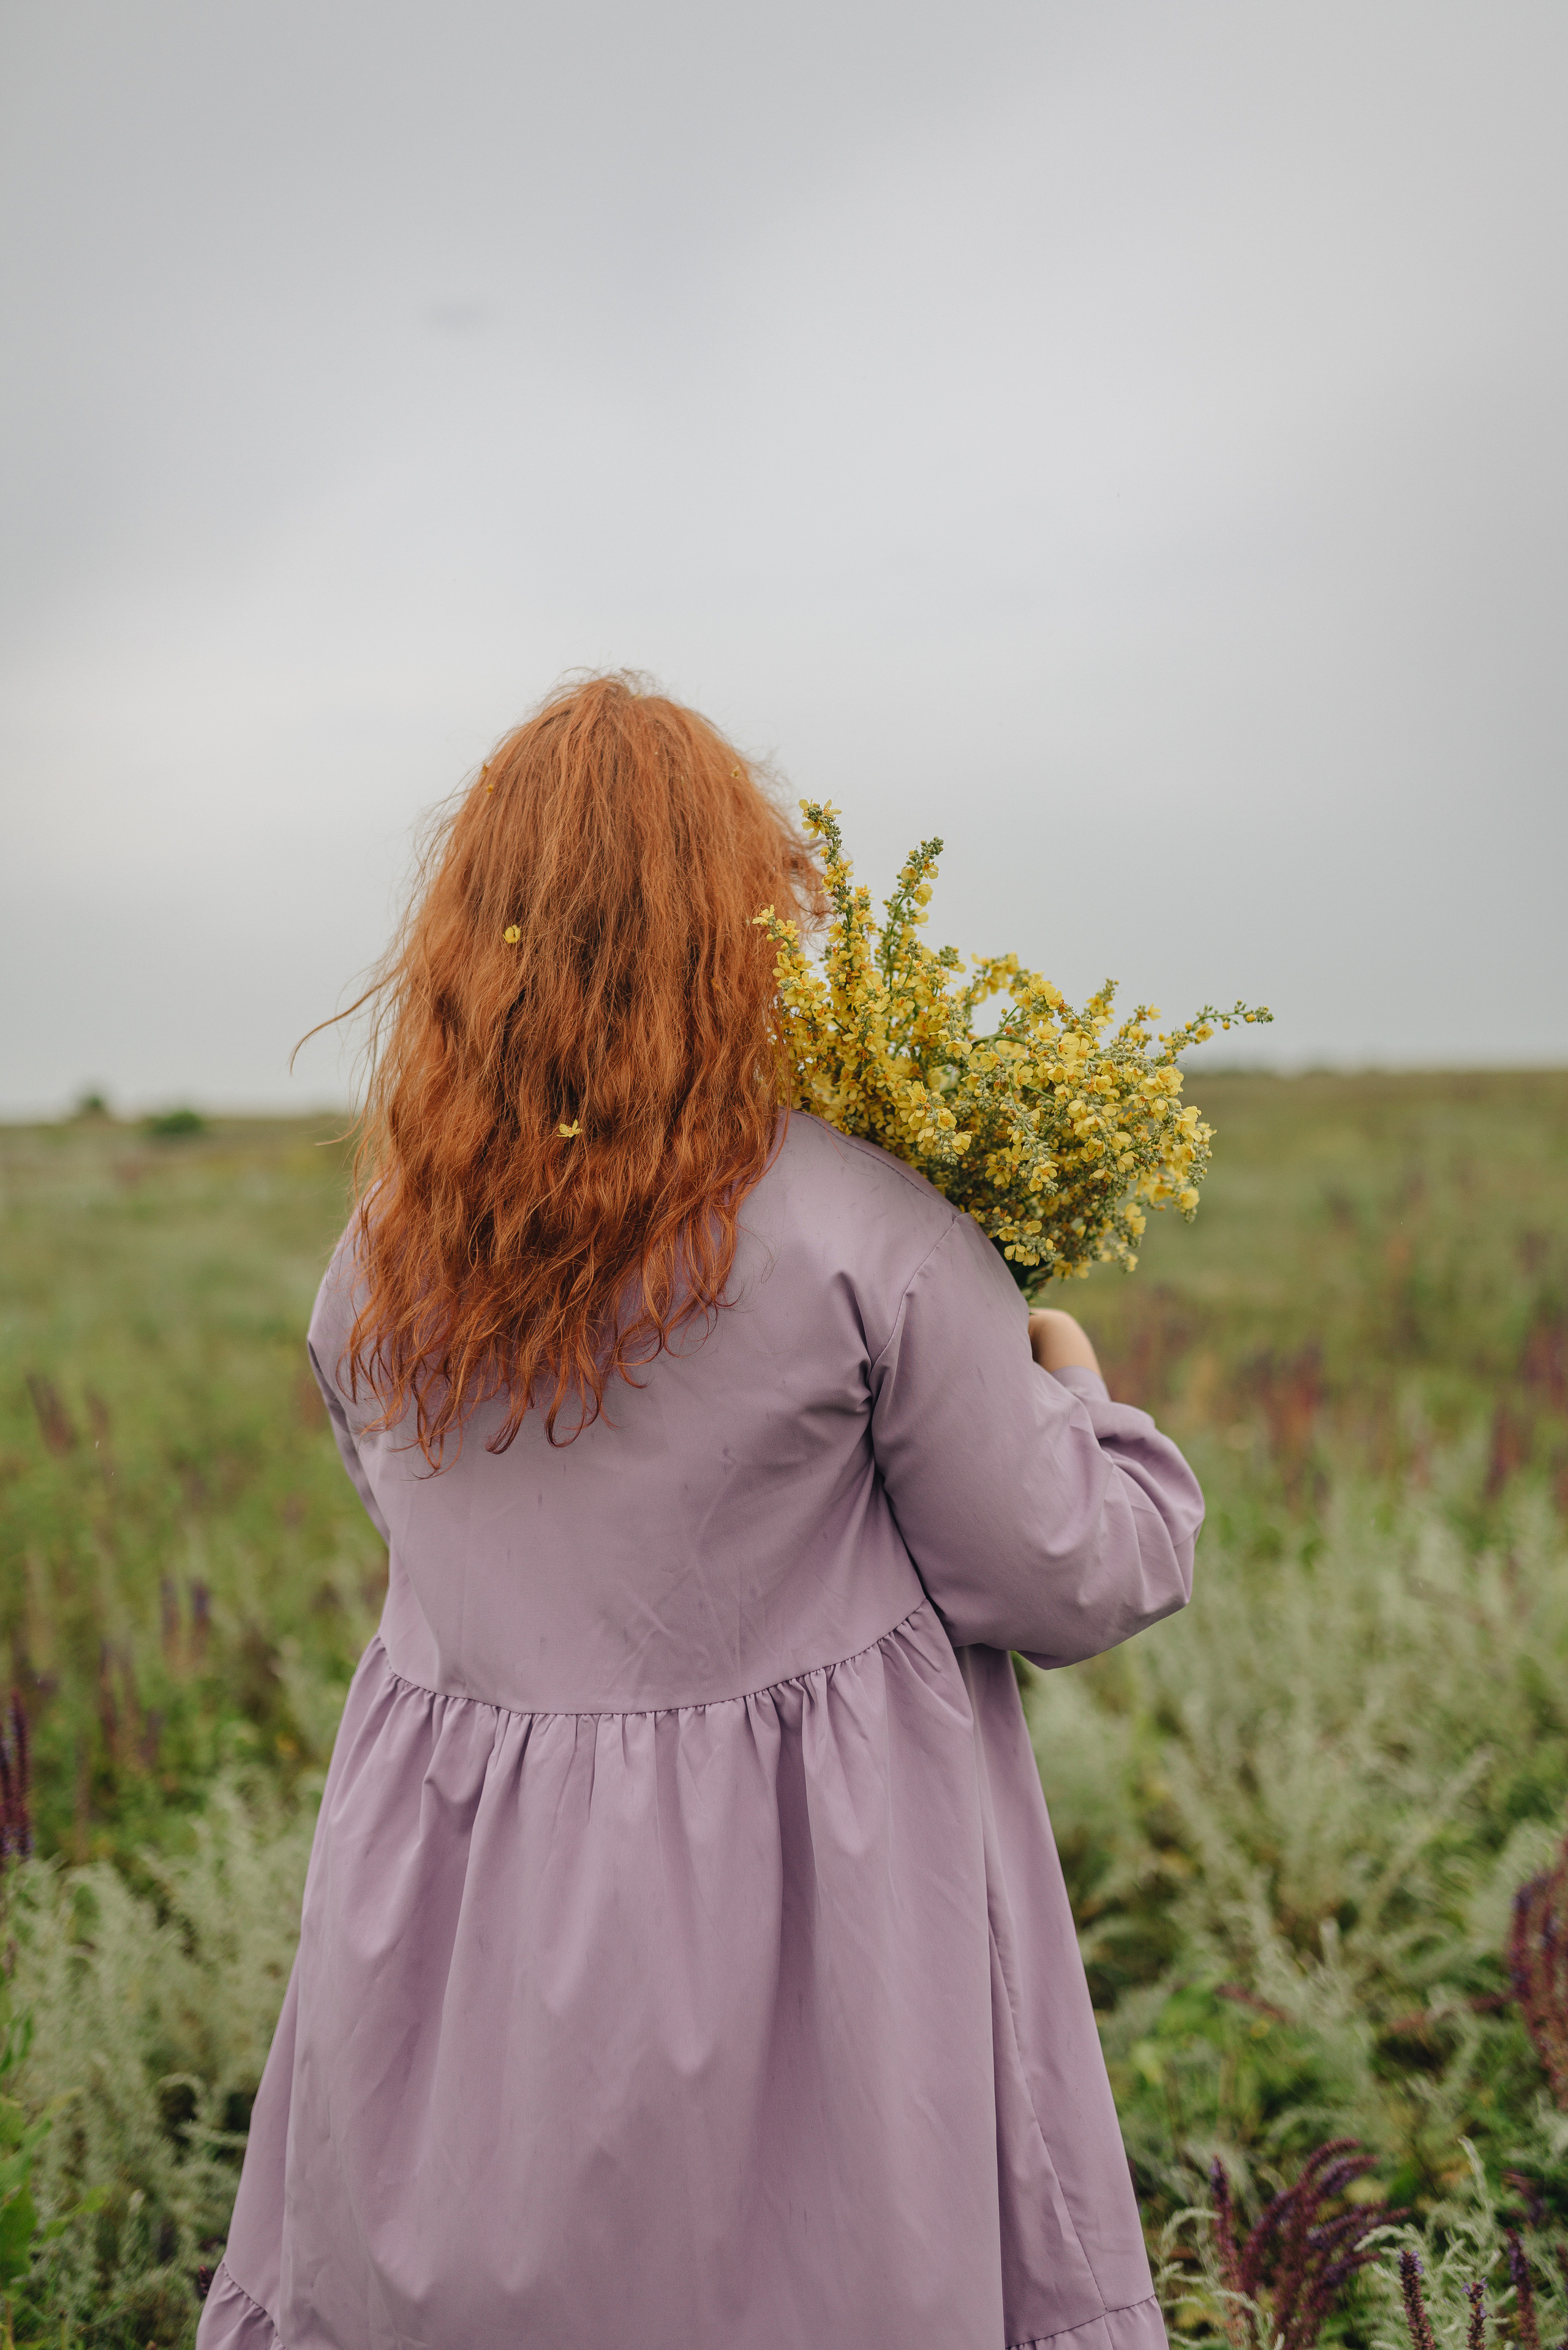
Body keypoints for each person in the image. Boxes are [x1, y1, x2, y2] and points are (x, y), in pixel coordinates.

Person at [198, 672, 1203, 2350]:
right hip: (821, 1951)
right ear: (738, 922)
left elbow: (411, 1512)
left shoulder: (384, 1253)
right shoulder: (867, 1227)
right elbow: (1062, 1572)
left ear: (477, 936)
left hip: (466, 1956)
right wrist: (1076, 1391)